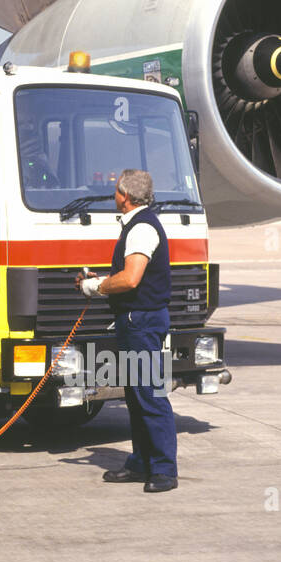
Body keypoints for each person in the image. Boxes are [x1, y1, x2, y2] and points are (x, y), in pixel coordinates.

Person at [75, 169, 178, 493]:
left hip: (141, 322)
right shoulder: (139, 225)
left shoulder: (141, 228)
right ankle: (141, 462)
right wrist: (104, 279)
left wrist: (95, 286)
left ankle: (163, 469)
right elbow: (134, 277)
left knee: (149, 394)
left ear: (125, 196)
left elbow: (131, 279)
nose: (113, 195)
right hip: (138, 320)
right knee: (137, 395)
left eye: (116, 190)